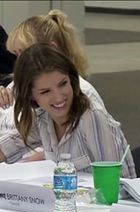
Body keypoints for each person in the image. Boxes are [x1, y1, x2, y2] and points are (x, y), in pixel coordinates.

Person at [2, 43, 136, 178]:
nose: (59, 97)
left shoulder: (91, 116)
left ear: (71, 79)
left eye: (63, 84)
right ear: (32, 96)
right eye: (46, 91)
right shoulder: (42, 116)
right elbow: (8, 147)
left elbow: (118, 183)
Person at [0, 9, 107, 163]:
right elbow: (15, 140)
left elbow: (115, 171)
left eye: (24, 52)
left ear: (51, 48)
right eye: (17, 55)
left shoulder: (84, 100)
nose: (20, 62)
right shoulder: (33, 101)